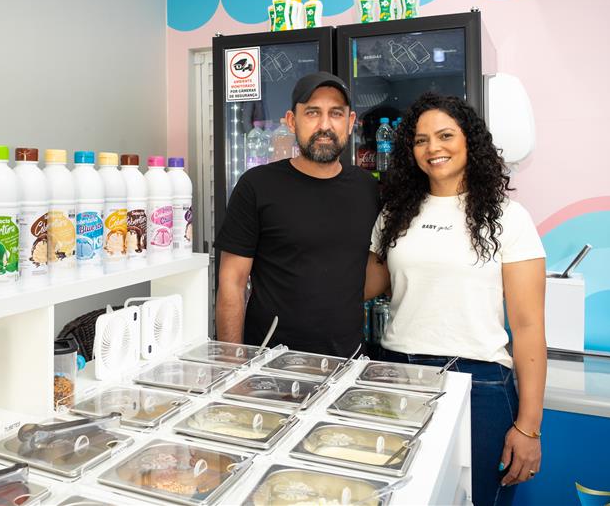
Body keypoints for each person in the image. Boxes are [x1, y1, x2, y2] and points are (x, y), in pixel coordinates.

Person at [364, 93, 546, 506]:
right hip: (398, 376)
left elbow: (529, 327)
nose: (433, 148)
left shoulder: (508, 218)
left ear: (469, 141)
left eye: (445, 135)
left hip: (478, 383)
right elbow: (366, 286)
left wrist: (529, 426)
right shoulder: (394, 214)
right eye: (421, 140)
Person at [215, 71, 379, 358]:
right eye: (313, 113)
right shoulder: (257, 186)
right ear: (292, 121)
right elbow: (232, 282)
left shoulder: (368, 189)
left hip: (348, 361)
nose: (325, 125)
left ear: (350, 121)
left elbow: (372, 272)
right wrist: (232, 364)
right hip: (269, 362)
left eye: (336, 113)